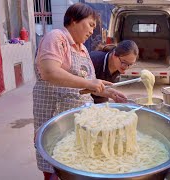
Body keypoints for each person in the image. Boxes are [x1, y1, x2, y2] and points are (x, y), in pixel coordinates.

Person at [33, 3, 126, 179]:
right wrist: (90, 84)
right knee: (55, 160)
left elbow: (85, 86)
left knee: (78, 160)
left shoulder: (83, 49)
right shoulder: (57, 38)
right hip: (56, 113)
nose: (92, 31)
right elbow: (50, 71)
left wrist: (108, 92)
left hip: (80, 118)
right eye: (90, 24)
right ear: (74, 20)